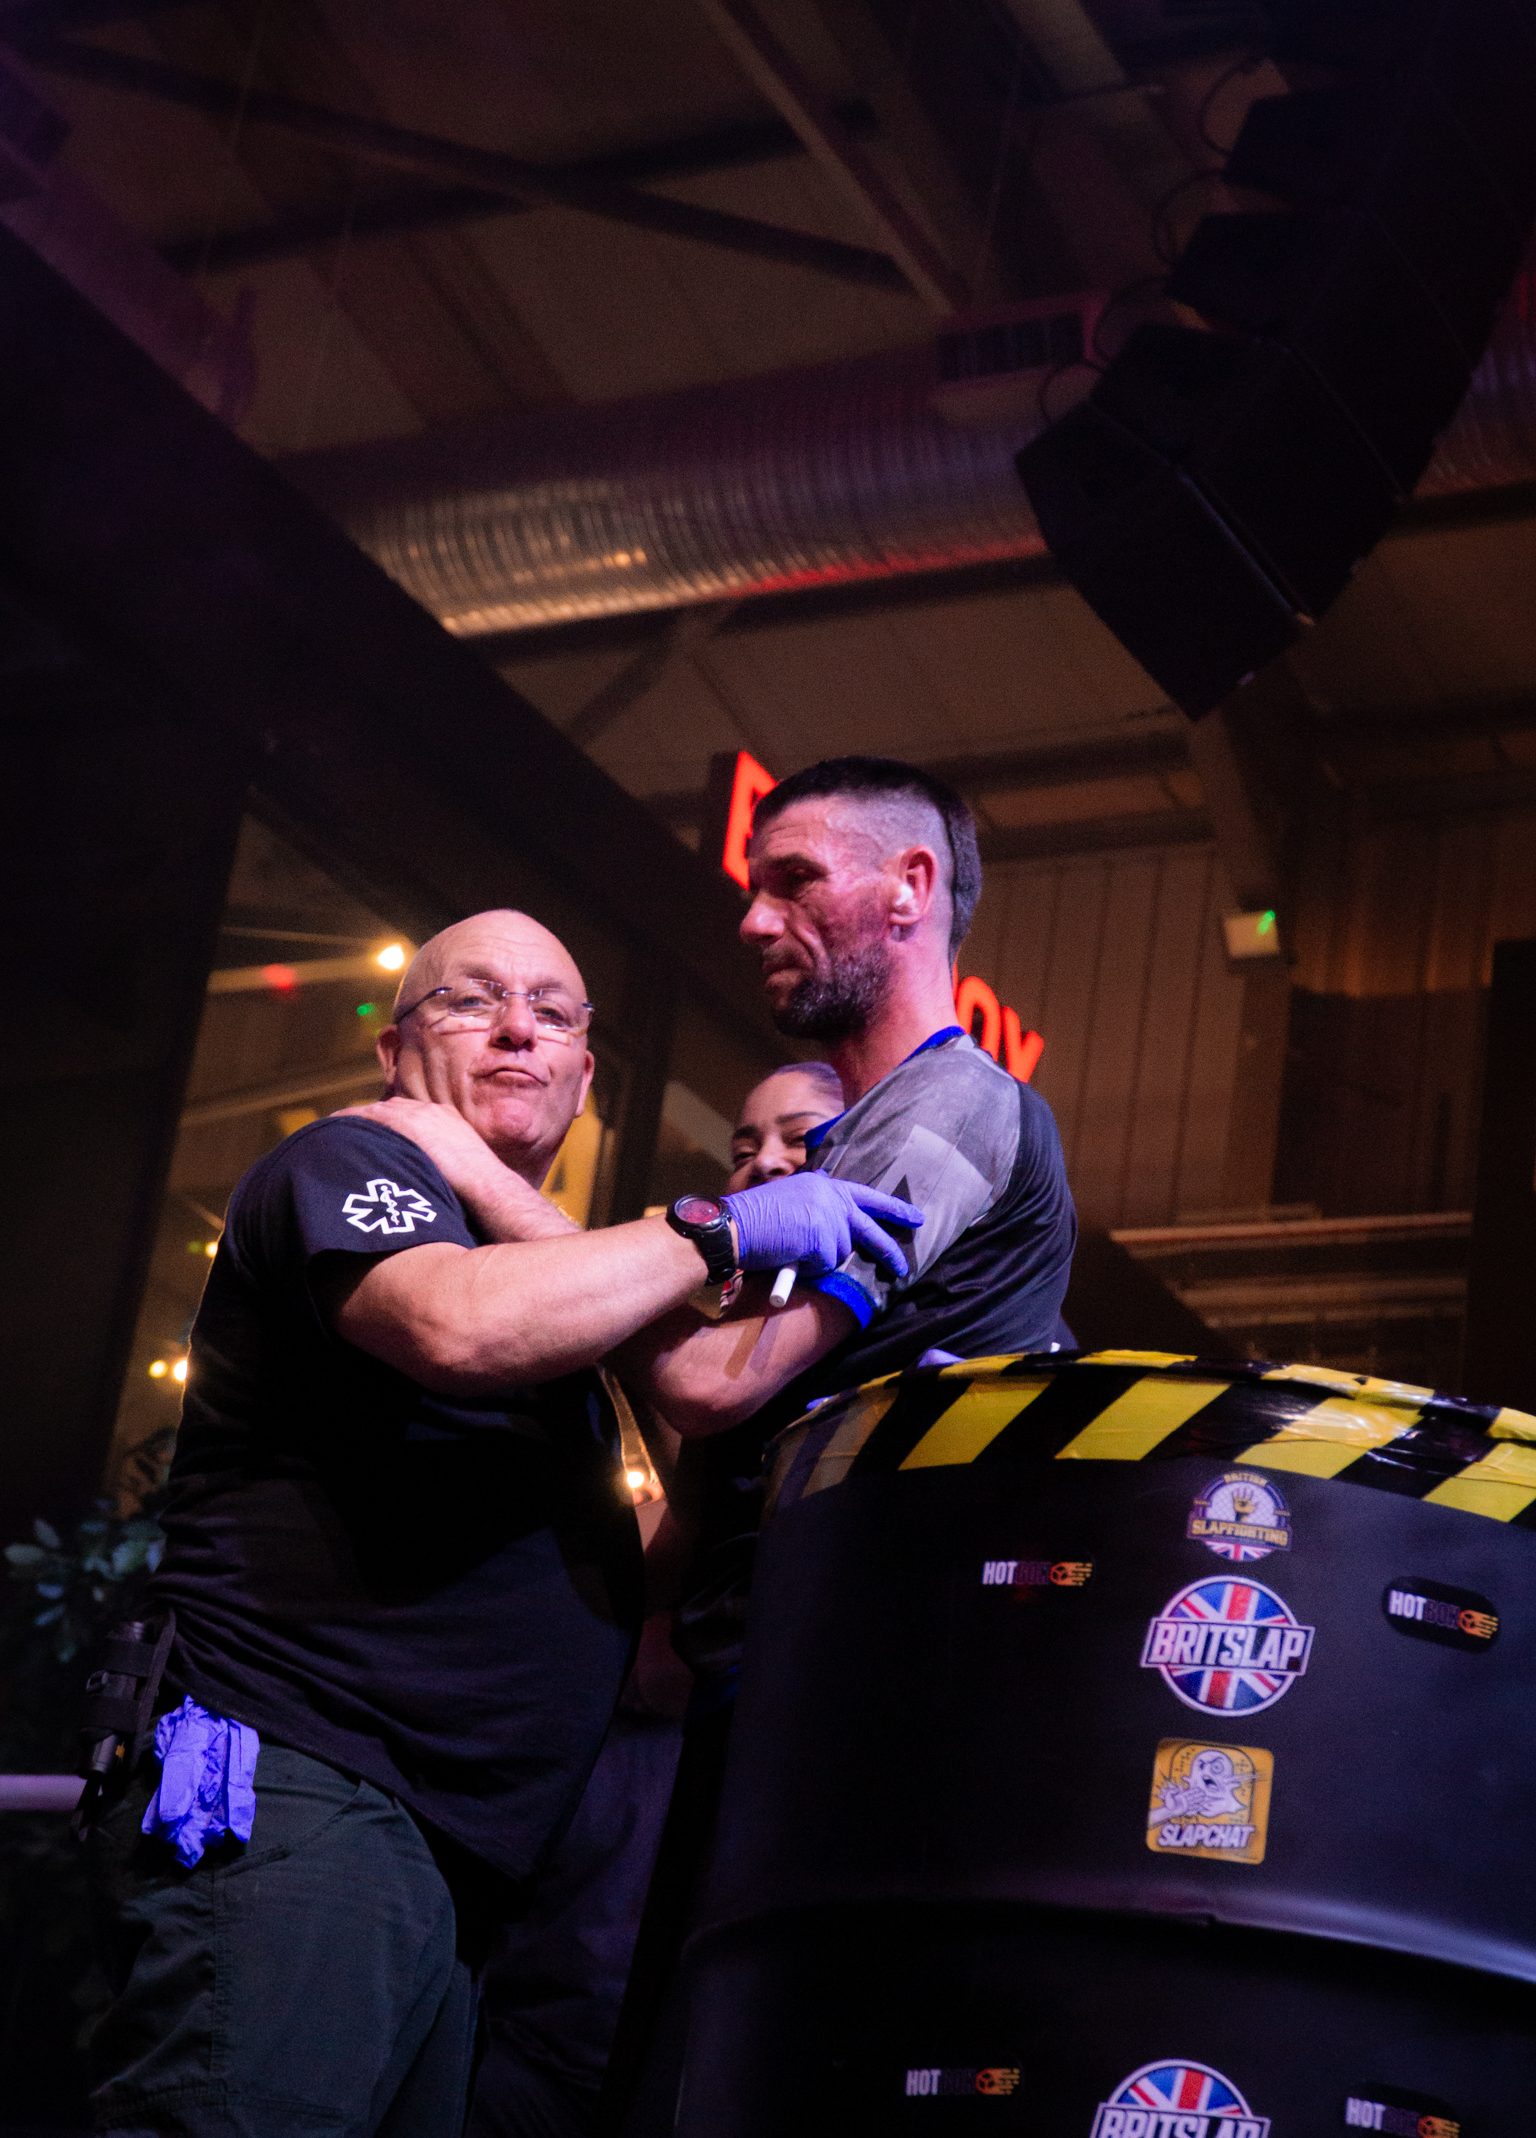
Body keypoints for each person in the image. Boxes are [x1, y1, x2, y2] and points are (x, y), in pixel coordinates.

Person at [86, 908, 918, 2138]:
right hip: (306, 1791)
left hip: (457, 1859)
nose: (520, 1026)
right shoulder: (352, 1162)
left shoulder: (554, 1301)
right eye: (473, 999)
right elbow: (453, 1325)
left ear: (586, 1077)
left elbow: (652, 1569)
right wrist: (720, 1227)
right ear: (394, 1046)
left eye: (556, 1012)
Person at [598, 757, 1078, 2132]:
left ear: (909, 886)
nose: (754, 919)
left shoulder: (957, 1108)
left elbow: (714, 1380)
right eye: (755, 888)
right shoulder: (859, 1139)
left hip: (865, 1720)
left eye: (794, 878)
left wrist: (524, 1235)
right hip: (788, 1708)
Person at [463, 1062, 845, 2138]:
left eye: (800, 1138)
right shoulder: (737, 1331)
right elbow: (682, 1548)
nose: (764, 1163)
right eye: (742, 1146)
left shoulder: (838, 1339)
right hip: (606, 1886)